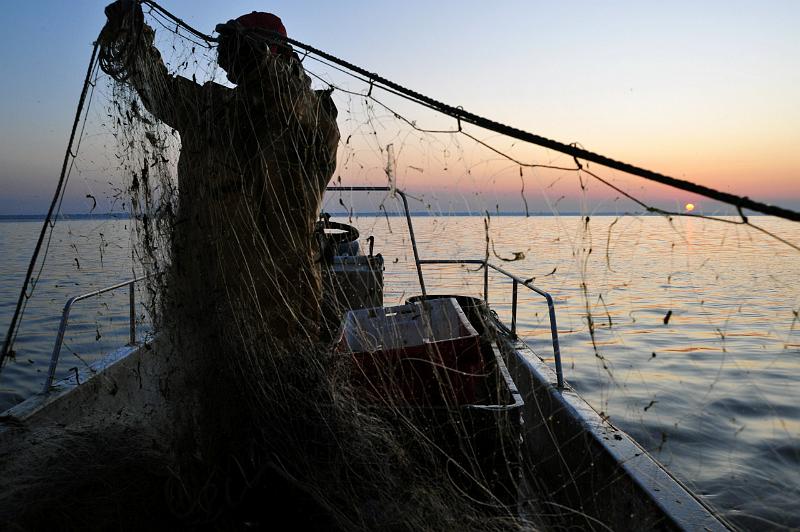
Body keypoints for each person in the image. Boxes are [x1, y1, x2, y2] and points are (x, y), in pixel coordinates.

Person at [99, 2, 340, 346]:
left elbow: (285, 101)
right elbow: (161, 91)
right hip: (206, 298)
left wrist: (260, 62)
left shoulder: (313, 116)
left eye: (251, 51)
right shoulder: (211, 108)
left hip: (282, 309)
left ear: (281, 56)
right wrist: (134, 36)